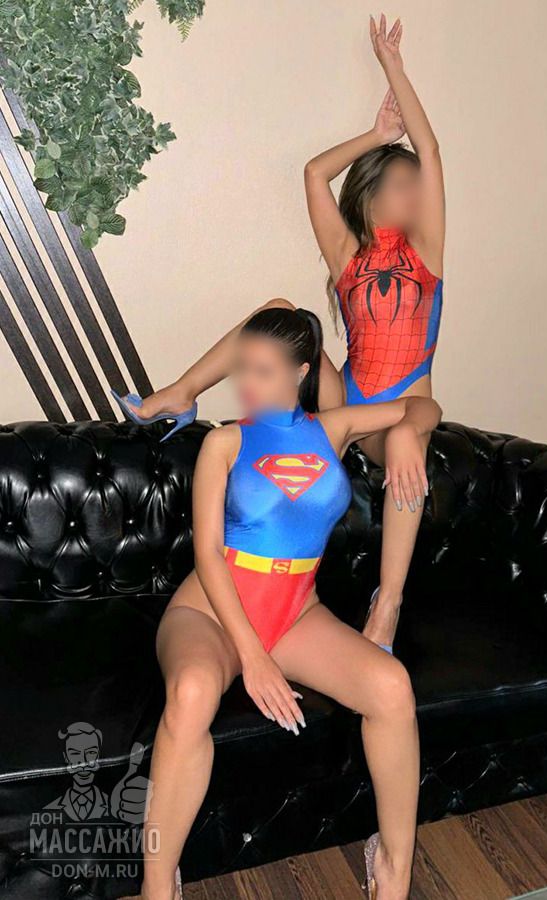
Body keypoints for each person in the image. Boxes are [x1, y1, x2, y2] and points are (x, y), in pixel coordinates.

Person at [113, 14, 444, 657]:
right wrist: (377, 135)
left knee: (408, 433)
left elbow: (431, 152)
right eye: (400, 184)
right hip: (346, 394)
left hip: (402, 408)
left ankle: (387, 605)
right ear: (371, 196)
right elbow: (315, 174)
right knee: (277, 308)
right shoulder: (347, 257)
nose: (414, 192)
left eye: (416, 186)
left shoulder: (427, 254)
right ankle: (182, 391)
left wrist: (394, 69)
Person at [141, 306, 441, 900]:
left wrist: (408, 433)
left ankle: (393, 868)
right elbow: (208, 555)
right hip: (211, 612)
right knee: (193, 694)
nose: (246, 385)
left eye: (263, 372)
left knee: (392, 688)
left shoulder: (334, 428)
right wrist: (252, 658)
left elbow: (423, 406)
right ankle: (158, 882)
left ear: (301, 372)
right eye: (242, 370)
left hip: (296, 612)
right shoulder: (225, 441)